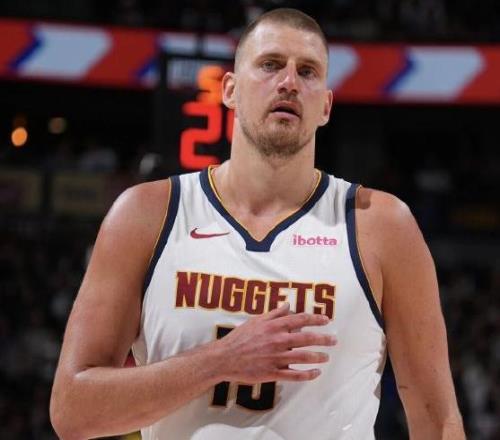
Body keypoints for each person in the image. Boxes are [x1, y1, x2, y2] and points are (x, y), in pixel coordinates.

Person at [50, 8, 465, 440]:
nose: (289, 82)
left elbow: (438, 421)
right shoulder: (146, 215)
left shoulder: (381, 226)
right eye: (270, 64)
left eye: (307, 71)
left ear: (325, 106)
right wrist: (220, 361)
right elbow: (72, 411)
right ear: (230, 89)